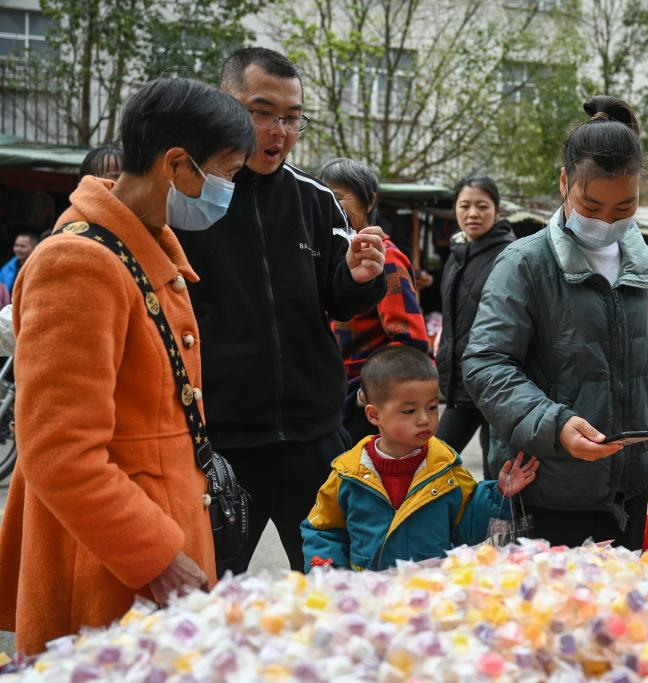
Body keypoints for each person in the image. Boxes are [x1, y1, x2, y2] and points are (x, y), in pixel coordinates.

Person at [0, 77, 254, 654]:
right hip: (110, 570)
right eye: (228, 173)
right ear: (178, 164)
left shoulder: (140, 246)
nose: (228, 190)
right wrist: (157, 556)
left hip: (150, 556)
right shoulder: (78, 262)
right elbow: (60, 453)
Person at [173, 48, 387, 576]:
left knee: (333, 592)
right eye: (262, 112)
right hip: (220, 442)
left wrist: (359, 279)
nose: (279, 131)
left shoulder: (315, 200)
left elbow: (338, 296)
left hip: (313, 437)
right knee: (207, 601)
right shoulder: (187, 201)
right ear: (224, 105)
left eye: (292, 118)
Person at [462, 96, 648, 550]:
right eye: (592, 204)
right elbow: (486, 364)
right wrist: (555, 424)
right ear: (565, 183)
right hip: (546, 489)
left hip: (627, 490)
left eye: (624, 208)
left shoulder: (646, 265)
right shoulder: (524, 263)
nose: (606, 220)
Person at [300, 346, 538, 571]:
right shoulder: (347, 474)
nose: (425, 419)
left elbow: (466, 529)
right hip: (371, 595)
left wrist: (499, 494)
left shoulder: (447, 471)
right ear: (374, 414)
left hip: (431, 594)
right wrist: (328, 571)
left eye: (433, 407)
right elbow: (323, 530)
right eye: (409, 411)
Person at [319, 157, 430, 444]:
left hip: (363, 405)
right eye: (325, 197)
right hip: (335, 396)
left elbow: (411, 342)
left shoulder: (384, 258)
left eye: (340, 197)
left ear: (369, 202)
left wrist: (367, 391)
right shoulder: (335, 256)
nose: (332, 206)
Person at [435, 175, 515, 475]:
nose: (472, 214)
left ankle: (496, 525)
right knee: (435, 463)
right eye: (464, 205)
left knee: (496, 473)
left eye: (482, 206)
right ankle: (450, 522)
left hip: (498, 382)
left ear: (497, 210)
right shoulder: (457, 255)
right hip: (461, 384)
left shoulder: (510, 255)